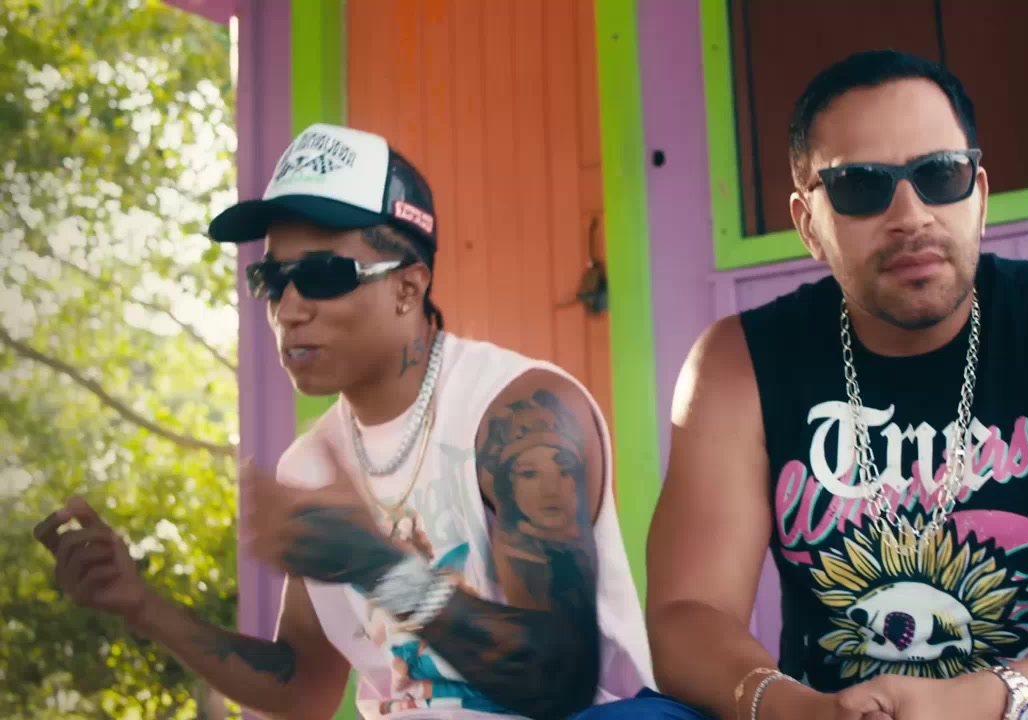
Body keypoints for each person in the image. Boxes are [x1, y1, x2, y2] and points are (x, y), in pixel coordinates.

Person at [609, 50, 1028, 720]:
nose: (911, 215)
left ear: (979, 197)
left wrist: (990, 701)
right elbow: (688, 612)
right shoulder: (739, 363)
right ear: (809, 223)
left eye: (940, 174)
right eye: (861, 186)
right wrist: (791, 709)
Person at [33, 123, 652, 720]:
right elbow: (304, 689)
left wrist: (381, 569)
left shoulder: (520, 414)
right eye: (271, 279)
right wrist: (143, 606)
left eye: (322, 275)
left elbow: (561, 680)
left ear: (408, 289)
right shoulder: (311, 464)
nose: (288, 309)